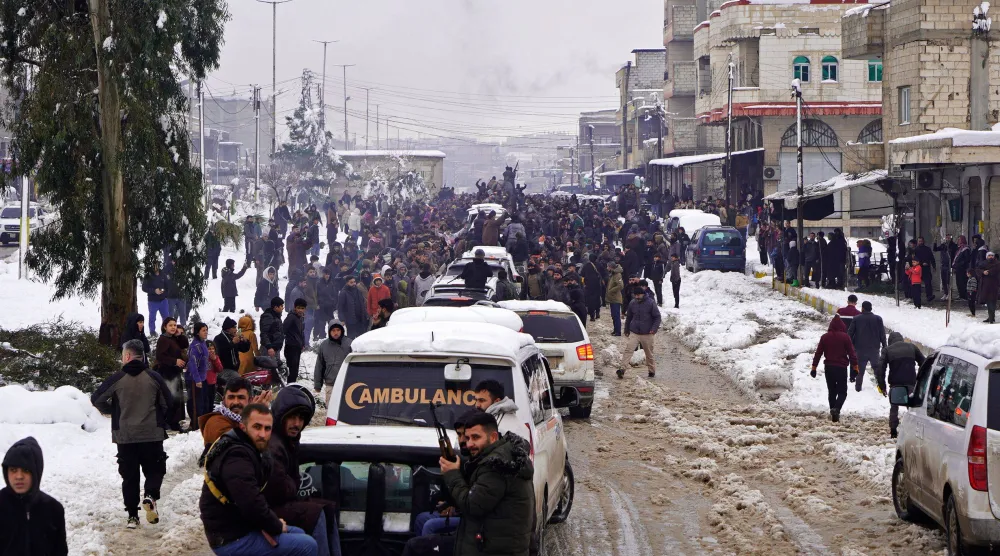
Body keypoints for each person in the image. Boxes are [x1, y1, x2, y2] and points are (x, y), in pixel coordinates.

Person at [199, 404, 317, 555]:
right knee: (308, 545)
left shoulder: (251, 449)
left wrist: (272, 523)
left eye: (267, 429)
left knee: (299, 533)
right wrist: (275, 525)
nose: (262, 434)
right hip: (230, 538)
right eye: (257, 427)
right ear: (243, 427)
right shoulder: (237, 457)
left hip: (241, 526)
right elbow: (250, 502)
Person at [91, 339, 173, 528]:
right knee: (155, 469)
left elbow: (97, 399)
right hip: (152, 434)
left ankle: (132, 516)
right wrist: (159, 415)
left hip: (125, 436)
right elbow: (168, 402)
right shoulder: (154, 377)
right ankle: (150, 496)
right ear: (142, 356)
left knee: (129, 476)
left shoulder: (117, 378)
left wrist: (115, 411)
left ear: (127, 356)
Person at [438, 412, 533, 556]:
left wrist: (452, 474)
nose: (469, 444)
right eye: (468, 437)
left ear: (493, 437)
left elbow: (472, 505)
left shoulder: (496, 466)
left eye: (476, 437)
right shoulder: (506, 456)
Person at [265, 388, 341, 556]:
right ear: (281, 417)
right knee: (316, 514)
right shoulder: (274, 445)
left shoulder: (288, 441)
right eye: (292, 417)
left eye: (301, 418)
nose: (297, 423)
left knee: (327, 508)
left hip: (280, 504)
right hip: (269, 510)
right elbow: (280, 489)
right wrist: (295, 484)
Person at [0, 437, 68, 556]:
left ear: (36, 471)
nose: (19, 476)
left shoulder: (53, 509)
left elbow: (60, 551)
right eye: (13, 470)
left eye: (26, 470)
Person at [876, 332, 926, 438]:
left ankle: (893, 430)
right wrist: (921, 380)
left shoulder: (887, 350)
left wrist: (882, 386)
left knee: (894, 407)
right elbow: (924, 362)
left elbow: (880, 368)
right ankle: (914, 430)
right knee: (912, 407)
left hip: (895, 384)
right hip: (911, 383)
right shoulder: (912, 347)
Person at [810, 315, 859, 423]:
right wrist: (855, 367)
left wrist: (814, 368)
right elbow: (852, 354)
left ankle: (834, 415)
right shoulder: (845, 337)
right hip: (841, 368)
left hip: (829, 368)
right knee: (842, 392)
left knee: (832, 391)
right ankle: (836, 409)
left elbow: (818, 353)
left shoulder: (825, 337)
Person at [616, 280, 661, 379]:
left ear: (643, 294)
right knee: (628, 350)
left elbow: (657, 317)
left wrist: (654, 329)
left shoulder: (651, 303)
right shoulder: (633, 303)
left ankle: (651, 371)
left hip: (648, 333)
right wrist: (627, 329)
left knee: (649, 353)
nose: (637, 297)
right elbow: (629, 317)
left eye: (638, 295)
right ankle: (622, 369)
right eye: (635, 295)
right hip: (635, 332)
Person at [153, 318, 187, 432]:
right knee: (169, 399)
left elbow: (184, 344)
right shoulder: (163, 339)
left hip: (174, 372)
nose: (173, 327)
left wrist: (180, 335)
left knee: (176, 399)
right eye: (170, 325)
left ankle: (173, 423)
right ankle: (166, 423)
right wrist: (175, 361)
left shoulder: (173, 338)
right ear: (164, 327)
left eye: (175, 325)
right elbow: (160, 356)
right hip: (166, 373)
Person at [846, 301, 887, 392]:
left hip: (860, 349)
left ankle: (858, 389)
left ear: (863, 308)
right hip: (874, 349)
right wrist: (885, 346)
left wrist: (848, 346)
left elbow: (850, 333)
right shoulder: (878, 319)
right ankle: (881, 389)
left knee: (860, 371)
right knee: (877, 370)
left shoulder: (856, 319)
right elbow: (882, 334)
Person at [314, 323, 353, 408]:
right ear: (329, 332)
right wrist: (318, 384)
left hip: (347, 385)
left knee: (347, 410)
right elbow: (319, 365)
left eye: (338, 330)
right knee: (331, 410)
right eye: (333, 330)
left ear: (342, 331)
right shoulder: (324, 345)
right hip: (331, 384)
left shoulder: (349, 344)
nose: (336, 333)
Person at [187, 323, 212, 432]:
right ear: (197, 332)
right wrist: (197, 379)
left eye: (206, 330)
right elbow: (192, 364)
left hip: (203, 377)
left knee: (205, 402)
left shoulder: (203, 344)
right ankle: (195, 425)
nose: (206, 332)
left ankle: (202, 424)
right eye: (203, 330)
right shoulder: (195, 346)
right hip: (195, 379)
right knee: (197, 404)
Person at [336, 276, 368, 340]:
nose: (354, 284)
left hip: (360, 318)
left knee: (361, 338)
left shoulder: (358, 290)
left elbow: (362, 302)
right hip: (350, 319)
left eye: (354, 282)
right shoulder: (343, 293)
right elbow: (340, 307)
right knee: (351, 338)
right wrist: (342, 319)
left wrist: (365, 314)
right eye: (351, 282)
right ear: (347, 283)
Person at [283, 299, 307, 383]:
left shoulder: (300, 318)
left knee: (295, 371)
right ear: (295, 308)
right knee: (292, 371)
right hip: (291, 347)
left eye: (302, 308)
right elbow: (283, 329)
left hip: (297, 347)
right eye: (298, 308)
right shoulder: (291, 317)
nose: (300, 310)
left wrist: (302, 343)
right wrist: (291, 339)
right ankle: (290, 388)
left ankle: (292, 387)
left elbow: (301, 332)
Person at [142, 264, 169, 332]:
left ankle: (166, 331)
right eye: (154, 265)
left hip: (163, 301)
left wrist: (164, 293)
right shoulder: (148, 275)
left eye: (157, 265)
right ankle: (152, 332)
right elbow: (144, 288)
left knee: (166, 318)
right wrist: (154, 291)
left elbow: (167, 287)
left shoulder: (163, 274)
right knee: (152, 318)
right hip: (152, 301)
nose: (156, 267)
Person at [914, 236, 936, 302]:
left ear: (923, 241)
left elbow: (932, 258)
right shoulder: (916, 250)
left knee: (928, 282)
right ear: (917, 242)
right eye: (919, 241)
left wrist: (934, 266)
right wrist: (921, 263)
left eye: (921, 241)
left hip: (926, 269)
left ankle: (929, 296)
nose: (920, 242)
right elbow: (914, 260)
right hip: (918, 269)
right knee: (917, 283)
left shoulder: (927, 249)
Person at [980, 251, 1000, 324]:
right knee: (988, 301)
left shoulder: (997, 263)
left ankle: (991, 317)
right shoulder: (984, 263)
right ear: (987, 256)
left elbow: (996, 270)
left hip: (994, 284)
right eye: (989, 256)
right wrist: (983, 272)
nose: (991, 257)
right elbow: (978, 269)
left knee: (993, 301)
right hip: (986, 285)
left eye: (992, 255)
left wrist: (989, 272)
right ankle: (991, 317)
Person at [606, 264, 624, 336]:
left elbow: (620, 285)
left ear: (611, 267)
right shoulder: (613, 274)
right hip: (612, 298)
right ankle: (615, 330)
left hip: (616, 299)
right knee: (613, 315)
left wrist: (611, 290)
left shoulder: (617, 275)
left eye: (608, 267)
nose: (607, 268)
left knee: (616, 315)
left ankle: (618, 331)